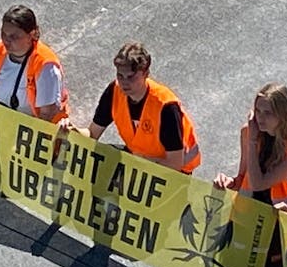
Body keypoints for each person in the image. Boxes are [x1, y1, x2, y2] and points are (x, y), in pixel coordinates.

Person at [66, 41, 200, 173]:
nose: (124, 83)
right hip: (138, 160)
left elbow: (174, 164)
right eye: (120, 75)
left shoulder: (166, 107)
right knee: (95, 162)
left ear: (146, 73)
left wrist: (137, 165)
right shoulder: (114, 92)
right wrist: (73, 130)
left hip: (172, 172)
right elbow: (92, 134)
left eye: (131, 77)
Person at [214, 83, 287, 211]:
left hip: (281, 220)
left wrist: (252, 141)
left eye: (268, 113)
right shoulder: (248, 132)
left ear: (283, 115)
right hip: (246, 213)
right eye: (258, 111)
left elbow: (258, 184)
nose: (260, 118)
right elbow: (243, 178)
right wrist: (229, 182)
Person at [0, 5, 68, 122]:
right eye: (4, 34)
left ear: (32, 35)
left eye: (14, 36)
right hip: (2, 115)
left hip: (30, 123)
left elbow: (47, 115)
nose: (6, 40)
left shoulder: (45, 66)